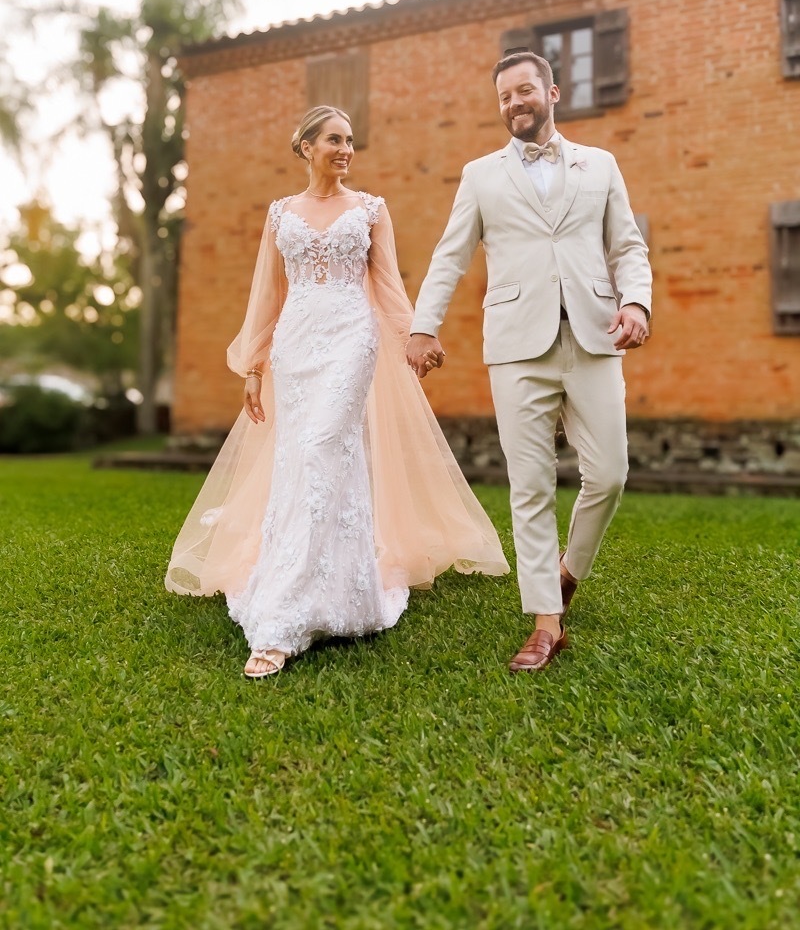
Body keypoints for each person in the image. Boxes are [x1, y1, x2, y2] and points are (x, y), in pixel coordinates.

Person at [166, 105, 508, 677]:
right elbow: (266, 298)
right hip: (295, 347)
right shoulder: (281, 215)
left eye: (350, 140)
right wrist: (253, 367)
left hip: (353, 340)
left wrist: (414, 336)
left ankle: (284, 623)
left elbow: (389, 284)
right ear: (305, 146)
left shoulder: (371, 210)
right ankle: (333, 591)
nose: (345, 149)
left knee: (325, 446)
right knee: (300, 458)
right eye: (333, 139)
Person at [406, 53, 652, 673]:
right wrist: (421, 325)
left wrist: (638, 304)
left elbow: (627, 245)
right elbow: (450, 256)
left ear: (552, 92)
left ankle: (567, 572)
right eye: (503, 98)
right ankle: (546, 623)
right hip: (516, 346)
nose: (514, 103)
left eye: (524, 91)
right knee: (531, 485)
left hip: (595, 337)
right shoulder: (480, 176)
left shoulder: (601, 165)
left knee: (611, 474)